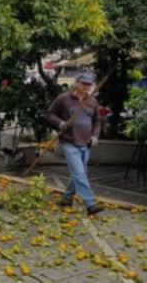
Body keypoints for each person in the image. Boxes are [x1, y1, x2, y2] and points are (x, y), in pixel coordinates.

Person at [46, 71, 103, 216]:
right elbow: (50, 114)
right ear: (77, 82)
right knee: (79, 172)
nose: (86, 86)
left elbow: (97, 120)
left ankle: (66, 199)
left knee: (79, 173)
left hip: (86, 142)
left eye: (89, 84)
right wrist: (60, 123)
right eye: (83, 83)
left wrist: (95, 136)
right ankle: (90, 204)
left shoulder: (92, 101)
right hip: (69, 141)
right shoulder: (64, 98)